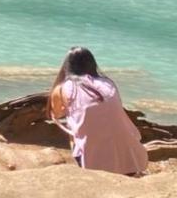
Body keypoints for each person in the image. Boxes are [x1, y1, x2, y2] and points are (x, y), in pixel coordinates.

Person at [47, 46, 147, 175]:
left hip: (93, 159)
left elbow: (56, 114)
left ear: (67, 66)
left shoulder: (62, 88)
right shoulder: (108, 83)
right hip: (131, 155)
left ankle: (80, 162)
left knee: (73, 125)